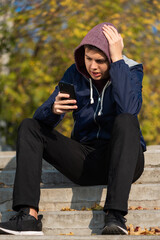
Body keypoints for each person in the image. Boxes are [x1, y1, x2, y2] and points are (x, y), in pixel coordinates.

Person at [0, 22, 146, 235]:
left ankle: (115, 216)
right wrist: (53, 110)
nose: (93, 66)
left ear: (112, 57)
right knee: (29, 125)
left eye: (100, 61)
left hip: (125, 161)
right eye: (88, 59)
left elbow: (130, 108)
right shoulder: (75, 73)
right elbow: (41, 120)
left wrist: (117, 61)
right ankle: (27, 217)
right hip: (84, 161)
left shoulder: (131, 70)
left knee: (126, 120)